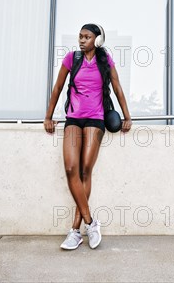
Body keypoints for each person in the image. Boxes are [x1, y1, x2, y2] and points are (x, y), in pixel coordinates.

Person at [44, 23, 132, 250]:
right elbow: (57, 88)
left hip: (95, 120)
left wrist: (127, 116)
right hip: (73, 119)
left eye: (87, 37)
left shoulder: (106, 61)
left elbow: (118, 87)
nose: (82, 40)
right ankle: (91, 223)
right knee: (71, 169)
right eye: (80, 36)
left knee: (85, 169)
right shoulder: (71, 59)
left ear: (98, 40)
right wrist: (48, 116)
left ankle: (74, 231)